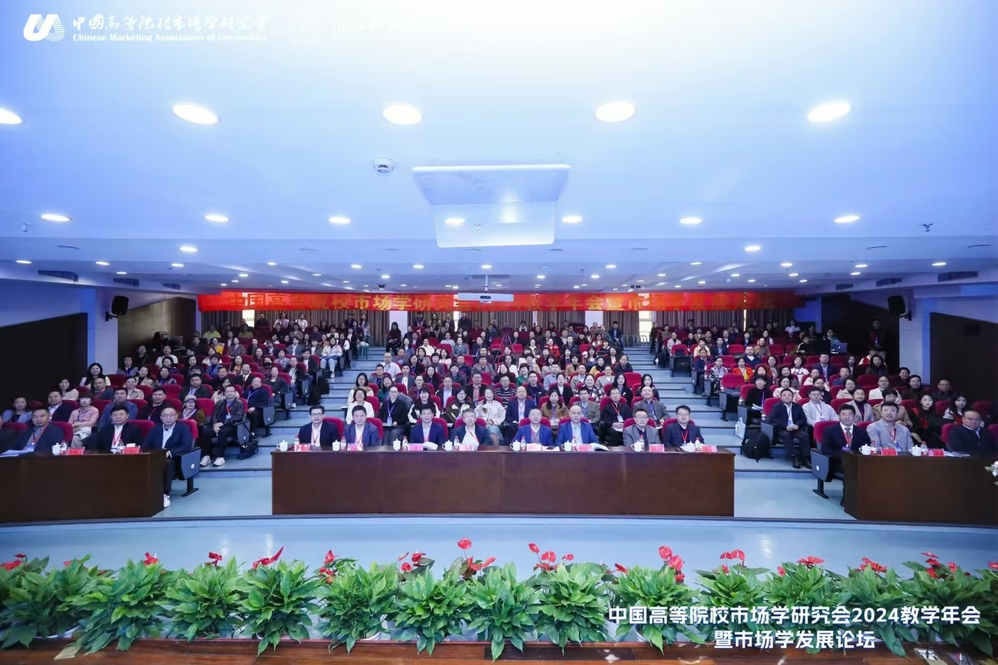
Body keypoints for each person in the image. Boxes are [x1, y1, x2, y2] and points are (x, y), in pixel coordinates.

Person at [142, 406, 194, 508]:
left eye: (171, 415)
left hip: (175, 458)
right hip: (155, 456)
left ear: (176, 416)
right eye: (165, 416)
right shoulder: (156, 429)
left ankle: (165, 493)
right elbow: (145, 445)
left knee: (167, 464)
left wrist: (169, 453)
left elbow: (186, 446)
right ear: (161, 418)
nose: (168, 418)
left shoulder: (183, 428)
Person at [768, 388, 810, 468]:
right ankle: (794, 457)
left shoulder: (797, 406)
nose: (787, 397)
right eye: (784, 395)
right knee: (787, 435)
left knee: (805, 436)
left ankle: (805, 458)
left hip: (795, 428)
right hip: (783, 429)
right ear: (781, 397)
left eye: (789, 395)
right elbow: (772, 419)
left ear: (792, 397)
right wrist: (785, 426)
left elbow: (803, 419)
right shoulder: (776, 406)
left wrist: (797, 425)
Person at [207, 385, 246, 467]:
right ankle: (207, 455)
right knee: (205, 431)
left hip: (232, 426)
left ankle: (220, 456)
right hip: (218, 425)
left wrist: (223, 423)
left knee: (222, 432)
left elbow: (238, 416)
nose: (229, 393)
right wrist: (215, 425)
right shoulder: (220, 403)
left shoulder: (239, 403)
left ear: (235, 393)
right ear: (224, 393)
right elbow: (214, 415)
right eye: (227, 391)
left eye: (231, 391)